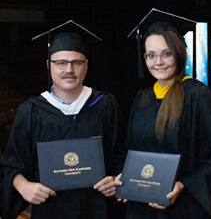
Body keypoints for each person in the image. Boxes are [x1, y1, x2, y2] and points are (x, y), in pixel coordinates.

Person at [1, 20, 124, 219]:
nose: (69, 69)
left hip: (98, 209)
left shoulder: (105, 105)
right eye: (61, 63)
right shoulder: (32, 111)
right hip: (50, 210)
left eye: (76, 62)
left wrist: (117, 179)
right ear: (48, 65)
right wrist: (22, 185)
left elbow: (121, 154)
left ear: (86, 66)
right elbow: (11, 163)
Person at [117, 8, 211, 219]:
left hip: (184, 209)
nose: (158, 62)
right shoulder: (142, 98)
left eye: (166, 54)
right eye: (151, 55)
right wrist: (124, 177)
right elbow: (130, 149)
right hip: (142, 208)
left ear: (179, 53)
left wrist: (184, 185)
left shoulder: (198, 95)